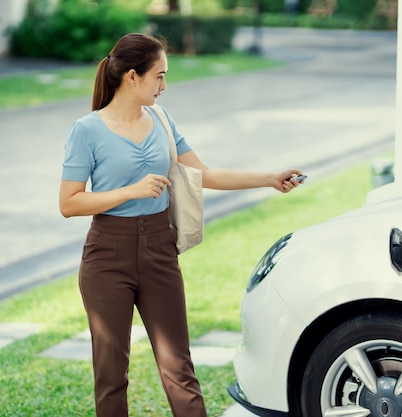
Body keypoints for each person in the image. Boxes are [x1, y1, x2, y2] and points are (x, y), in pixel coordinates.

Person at [59, 33, 305, 417]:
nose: (164, 86)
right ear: (132, 77)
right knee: (110, 374)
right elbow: (69, 203)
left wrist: (269, 178)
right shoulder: (86, 130)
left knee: (179, 369)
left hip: (159, 248)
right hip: (107, 255)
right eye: (159, 76)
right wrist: (129, 191)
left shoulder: (161, 119)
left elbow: (203, 173)